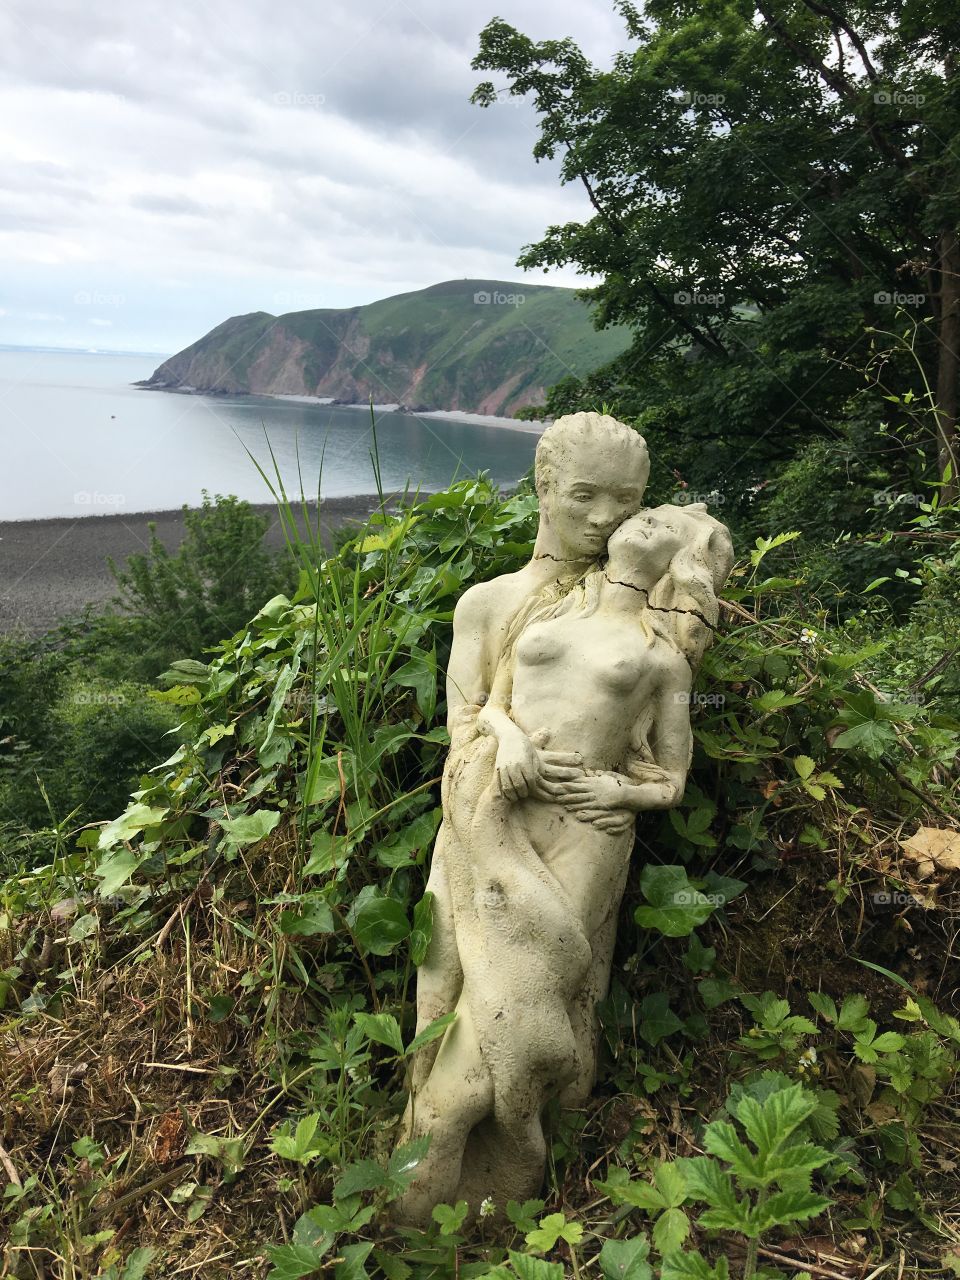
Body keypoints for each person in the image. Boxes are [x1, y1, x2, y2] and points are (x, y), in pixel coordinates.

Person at [396, 503, 734, 1222]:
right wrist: (507, 740)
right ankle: (430, 1212)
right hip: (497, 805)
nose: (645, 524)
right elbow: (487, 703)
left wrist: (616, 788)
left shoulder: (662, 656)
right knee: (461, 983)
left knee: (519, 1007)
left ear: (681, 565)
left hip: (583, 833)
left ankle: (501, 1167)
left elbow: (671, 778)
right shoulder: (549, 607)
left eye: (666, 528)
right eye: (647, 515)